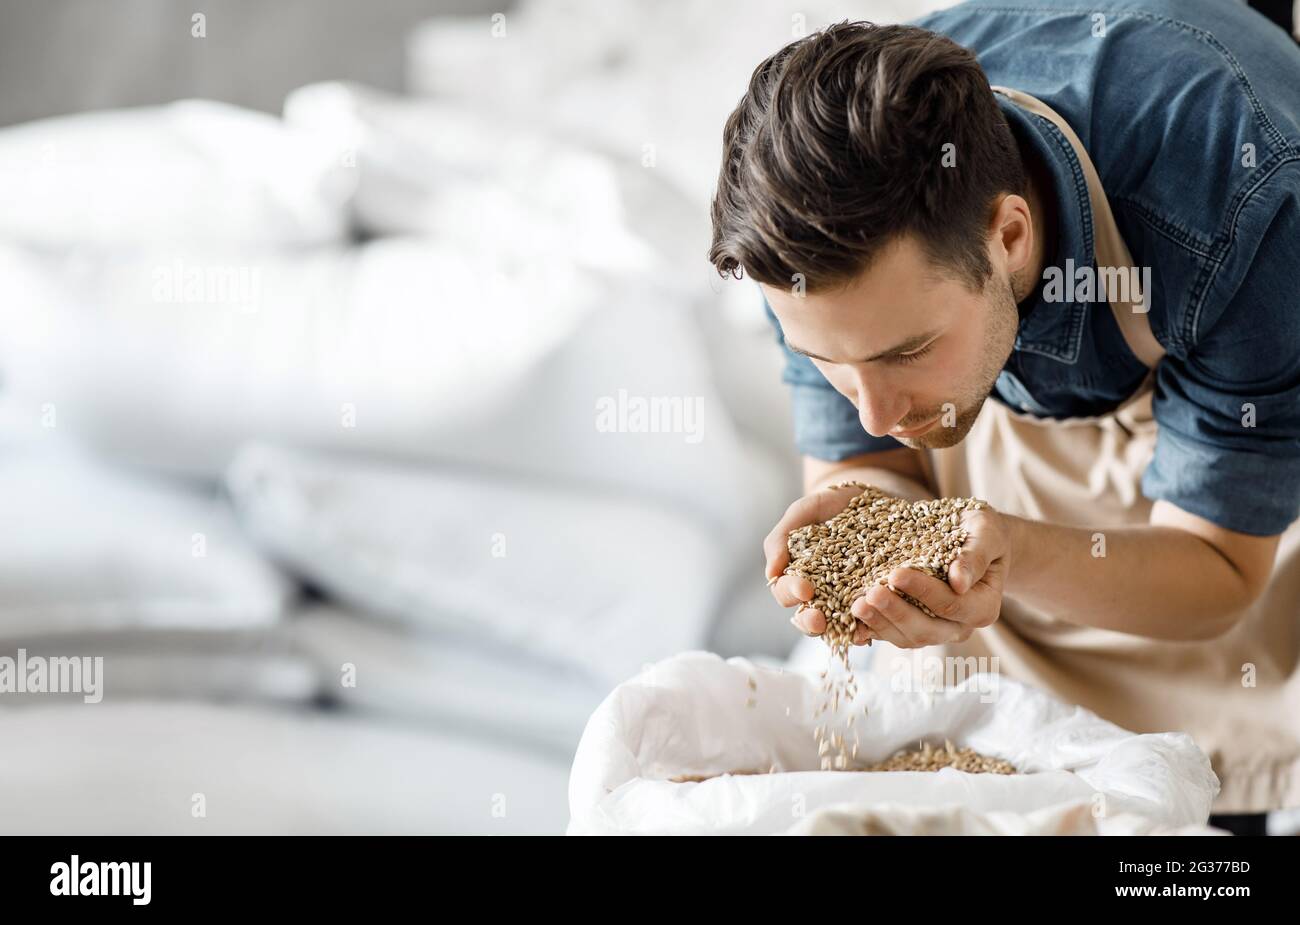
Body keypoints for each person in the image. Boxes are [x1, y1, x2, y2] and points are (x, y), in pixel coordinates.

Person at [708, 0, 1300, 830]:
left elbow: (1220, 570)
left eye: (904, 352)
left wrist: (1010, 550)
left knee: (1195, 798)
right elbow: (870, 457)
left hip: (1238, 354)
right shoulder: (808, 227)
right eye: (829, 363)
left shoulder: (1245, 209)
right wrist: (864, 505)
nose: (873, 414)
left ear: (1011, 236)